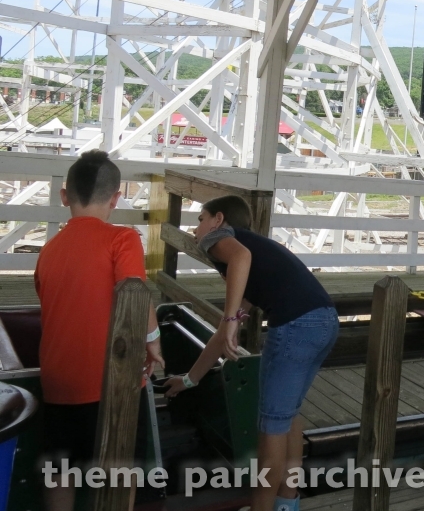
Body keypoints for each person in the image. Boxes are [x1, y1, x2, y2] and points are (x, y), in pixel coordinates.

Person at [164, 195, 338, 511]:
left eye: (200, 219)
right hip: (324, 321)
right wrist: (189, 380)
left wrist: (231, 318)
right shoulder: (255, 259)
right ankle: (287, 503)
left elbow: (239, 259)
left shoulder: (219, 239)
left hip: (296, 325)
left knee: (271, 425)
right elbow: (222, 335)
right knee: (287, 416)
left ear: (218, 220)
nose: (196, 229)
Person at [34, 150, 164, 511]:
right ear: (115, 198)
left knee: (59, 472)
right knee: (119, 475)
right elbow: (135, 295)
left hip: (57, 383)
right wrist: (153, 342)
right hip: (111, 382)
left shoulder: (48, 250)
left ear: (65, 196)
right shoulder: (122, 239)